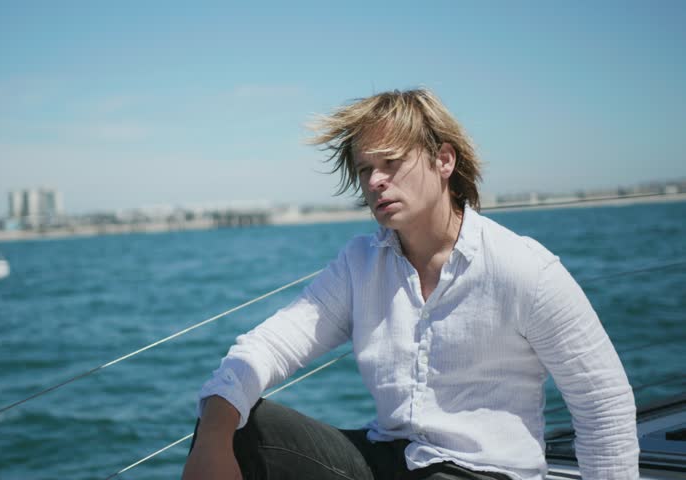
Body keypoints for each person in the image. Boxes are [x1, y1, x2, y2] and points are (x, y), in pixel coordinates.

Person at [182, 88, 639, 480]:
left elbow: (603, 405)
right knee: (241, 425)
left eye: (391, 163)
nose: (376, 181)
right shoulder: (360, 264)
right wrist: (215, 434)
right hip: (392, 460)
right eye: (364, 170)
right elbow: (271, 344)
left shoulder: (523, 268)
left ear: (443, 161)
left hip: (485, 470)